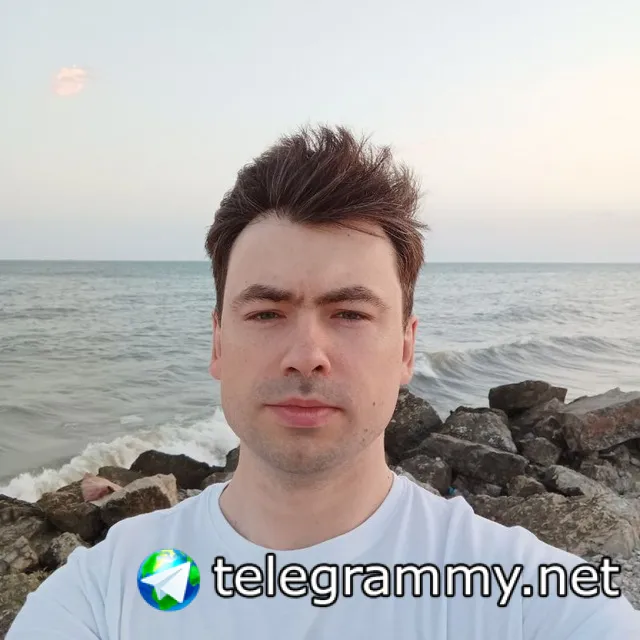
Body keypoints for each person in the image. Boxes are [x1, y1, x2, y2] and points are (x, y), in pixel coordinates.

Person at [8, 125, 640, 639]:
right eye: (266, 313)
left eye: (350, 313)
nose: (306, 356)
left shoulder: (533, 601)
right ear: (218, 343)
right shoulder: (100, 596)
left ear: (405, 348)